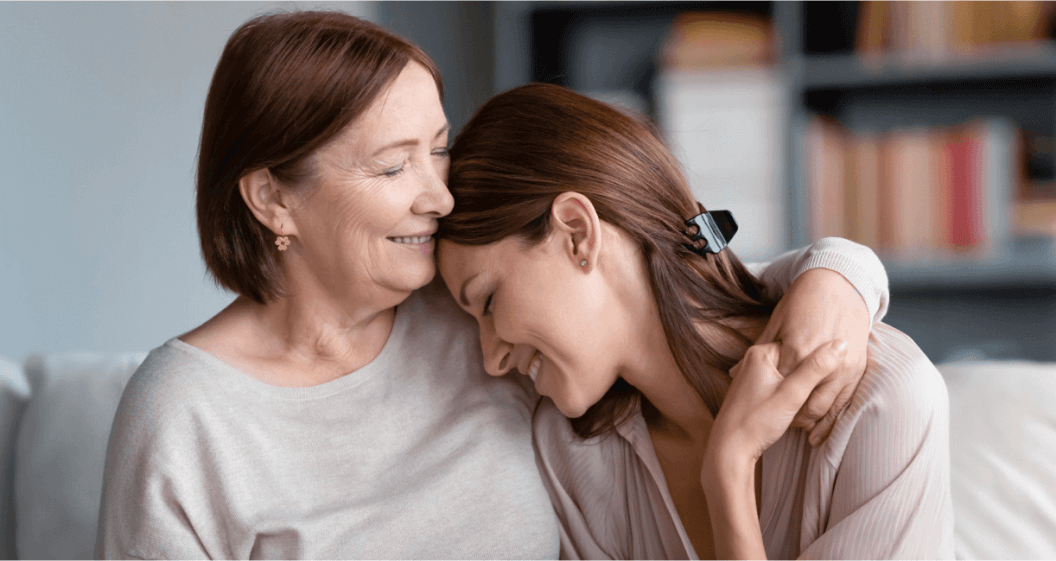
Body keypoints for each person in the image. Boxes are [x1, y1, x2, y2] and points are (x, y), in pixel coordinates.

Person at [96, 10, 892, 560]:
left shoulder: (472, 314)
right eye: (391, 163)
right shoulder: (183, 413)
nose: (439, 196)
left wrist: (841, 272)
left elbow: (665, 280)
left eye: (436, 149)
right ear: (272, 197)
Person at [437, 83, 954, 560]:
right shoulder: (572, 455)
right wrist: (839, 266)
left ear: (576, 234)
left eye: (487, 302)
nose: (490, 356)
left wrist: (727, 475)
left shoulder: (883, 403)